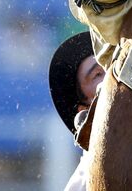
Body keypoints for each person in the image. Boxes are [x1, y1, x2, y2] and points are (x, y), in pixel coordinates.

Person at [49, 31, 105, 191]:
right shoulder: (83, 185)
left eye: (111, 64)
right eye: (98, 74)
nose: (112, 76)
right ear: (85, 110)